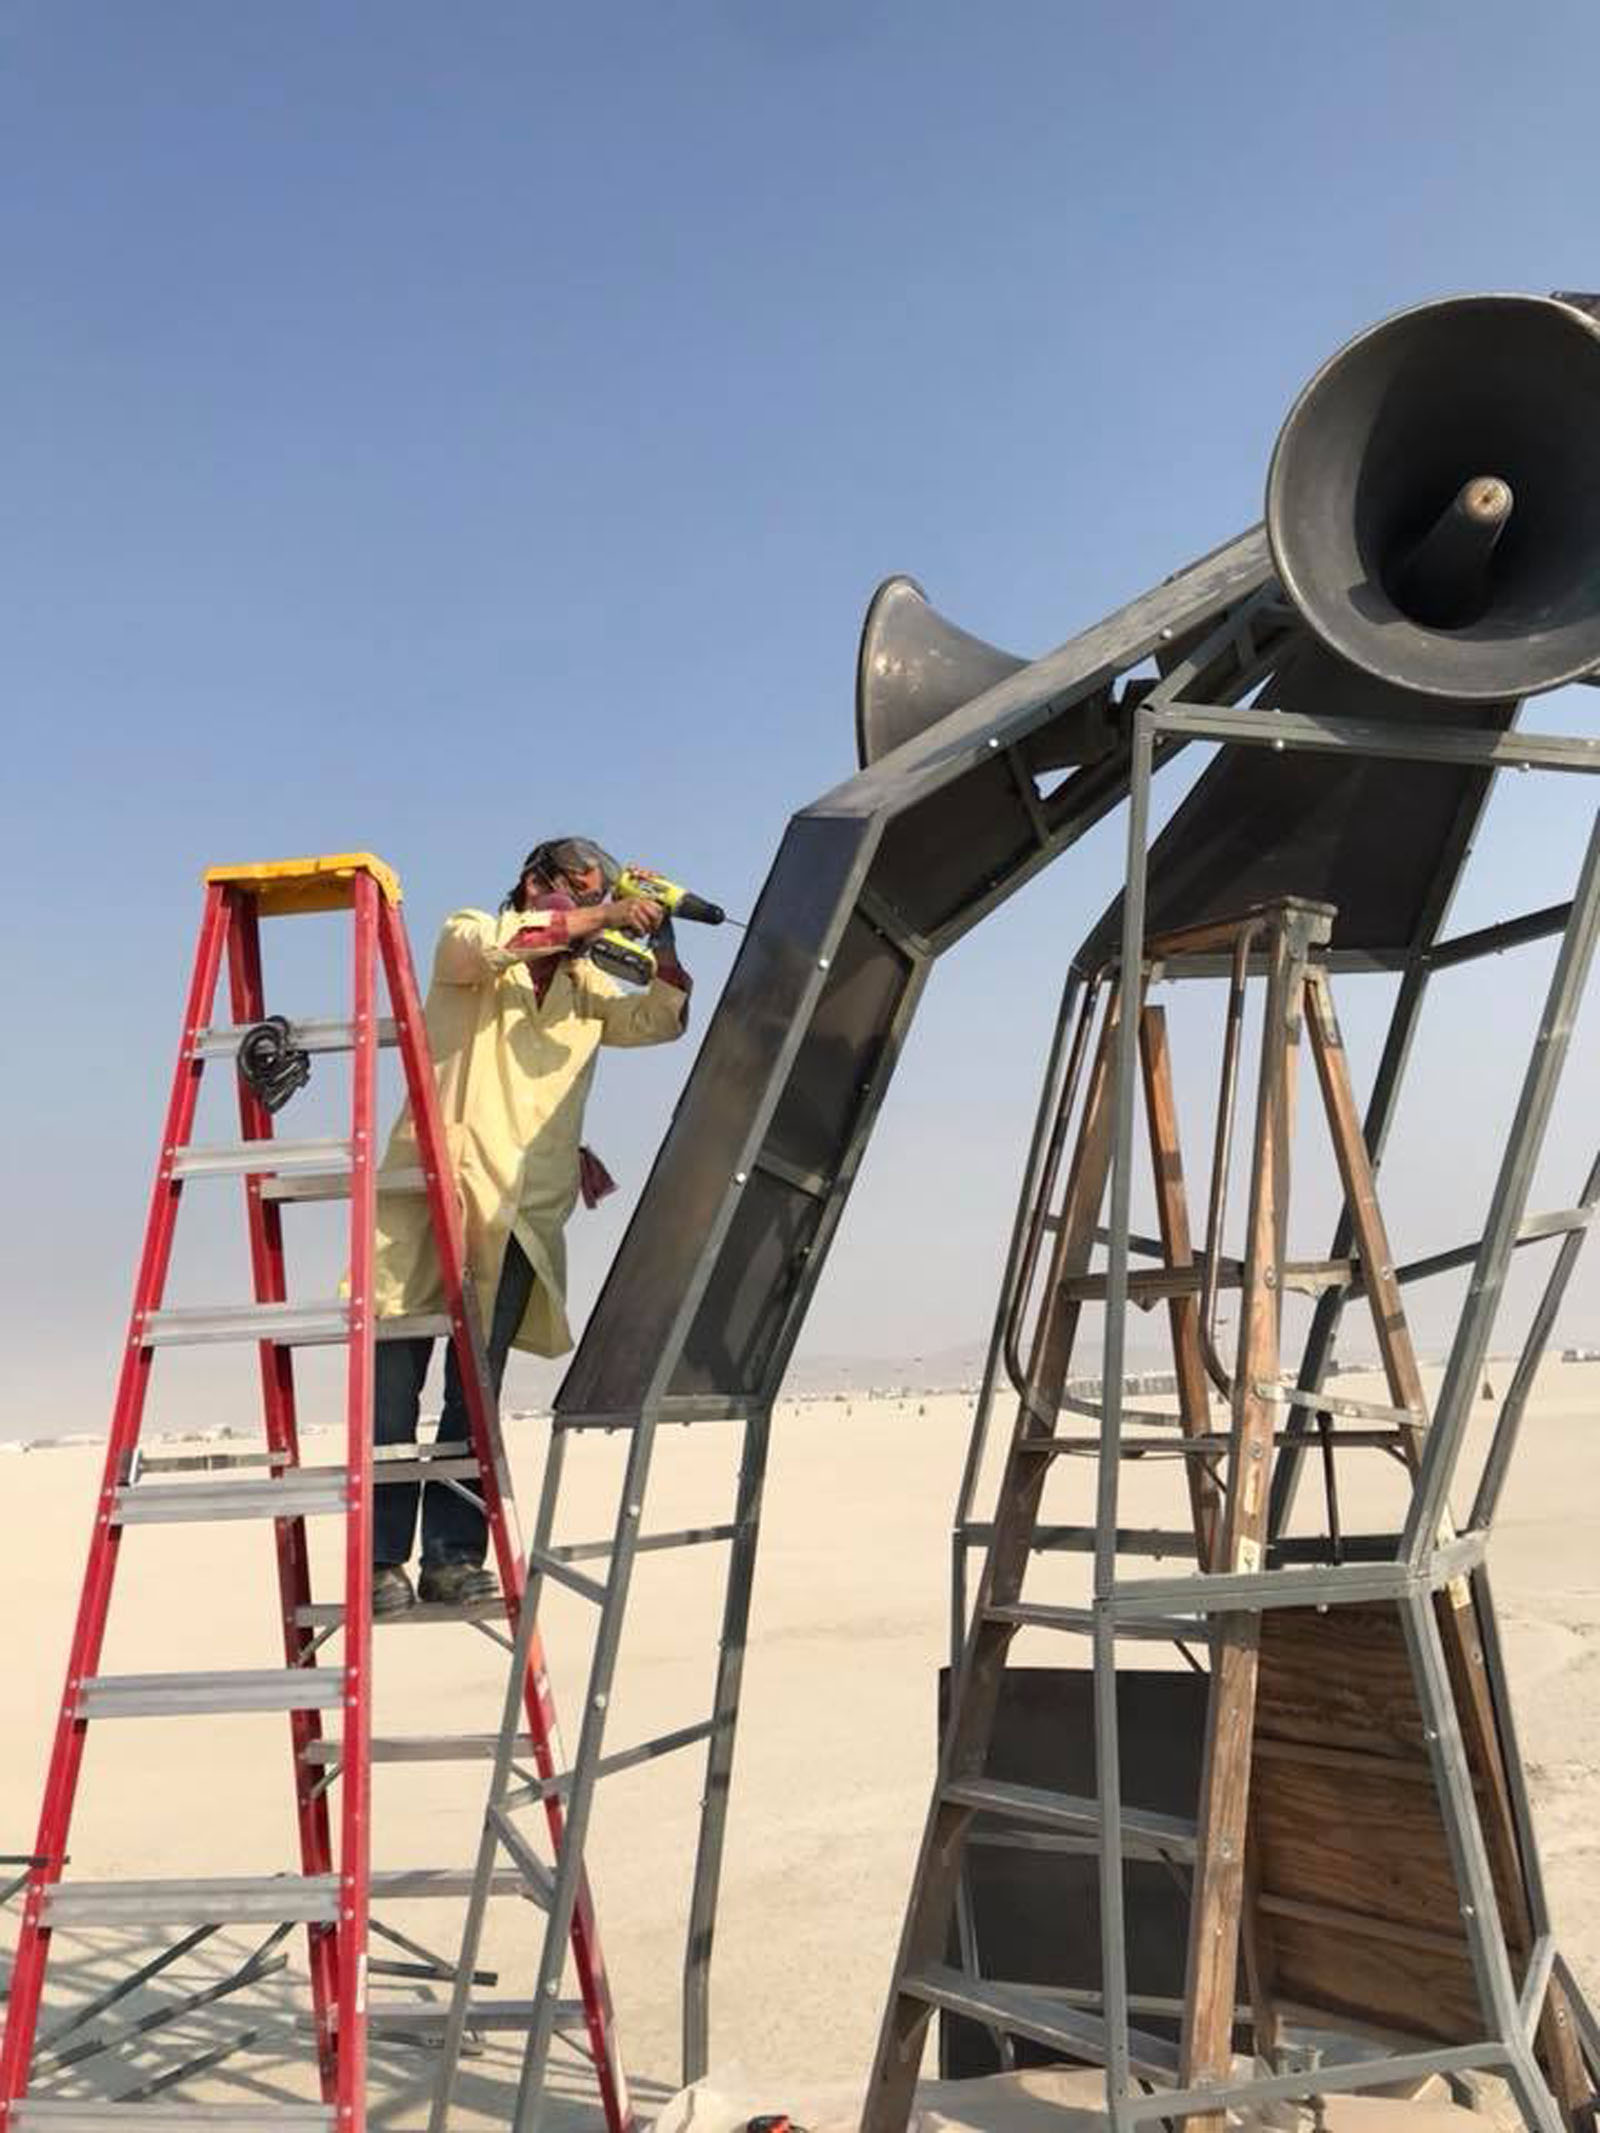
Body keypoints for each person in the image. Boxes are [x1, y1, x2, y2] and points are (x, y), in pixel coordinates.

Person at [369, 837, 691, 1613]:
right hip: (433, 1190)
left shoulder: (584, 989)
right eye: (578, 894)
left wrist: (662, 934)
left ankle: (451, 1556)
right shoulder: (475, 935)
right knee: (392, 1383)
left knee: (472, 1393)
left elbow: (661, 1017)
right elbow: (484, 947)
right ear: (534, 882)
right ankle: (379, 1561)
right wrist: (603, 914)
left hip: (522, 1207)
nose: (585, 912)